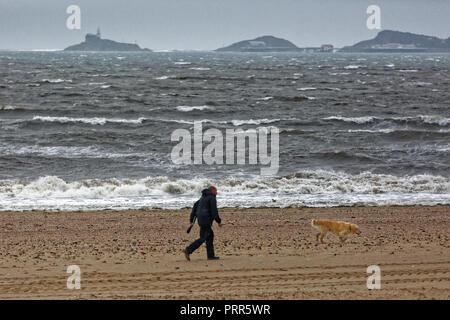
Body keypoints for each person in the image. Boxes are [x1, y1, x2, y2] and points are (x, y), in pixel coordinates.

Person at [184, 186, 222, 261]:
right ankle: (188, 250)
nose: (217, 192)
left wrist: (192, 220)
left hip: (201, 219)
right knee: (203, 237)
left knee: (210, 236)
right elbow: (214, 211)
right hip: (206, 219)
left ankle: (211, 256)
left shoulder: (202, 198)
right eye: (216, 191)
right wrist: (219, 221)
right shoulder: (212, 198)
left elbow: (195, 207)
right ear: (212, 190)